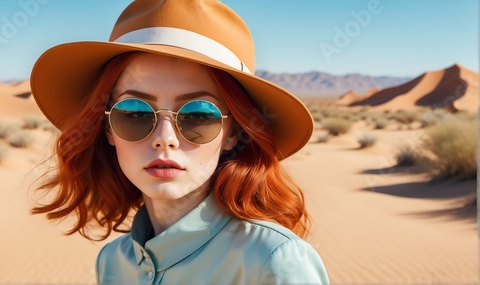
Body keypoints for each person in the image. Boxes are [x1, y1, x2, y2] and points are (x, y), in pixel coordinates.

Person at [30, 0, 329, 284]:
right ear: (107, 128)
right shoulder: (111, 262)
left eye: (198, 115)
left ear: (234, 133)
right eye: (134, 113)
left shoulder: (274, 262)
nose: (164, 139)